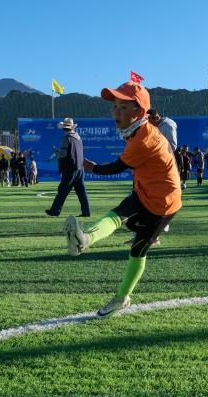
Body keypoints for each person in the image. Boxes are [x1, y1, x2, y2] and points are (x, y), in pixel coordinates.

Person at [65, 81, 181, 316]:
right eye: (115, 106)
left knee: (138, 250)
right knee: (116, 215)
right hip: (145, 190)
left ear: (139, 112)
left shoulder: (143, 138)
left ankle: (121, 298)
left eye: (124, 107)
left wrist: (92, 167)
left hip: (163, 203)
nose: (116, 112)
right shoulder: (137, 130)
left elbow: (116, 167)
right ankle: (84, 239)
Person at [46, 118, 91, 217]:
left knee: (62, 190)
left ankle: (55, 211)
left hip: (70, 169)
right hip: (80, 168)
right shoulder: (78, 137)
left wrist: (56, 151)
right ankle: (86, 212)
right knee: (81, 192)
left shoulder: (66, 138)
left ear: (64, 128)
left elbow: (63, 154)